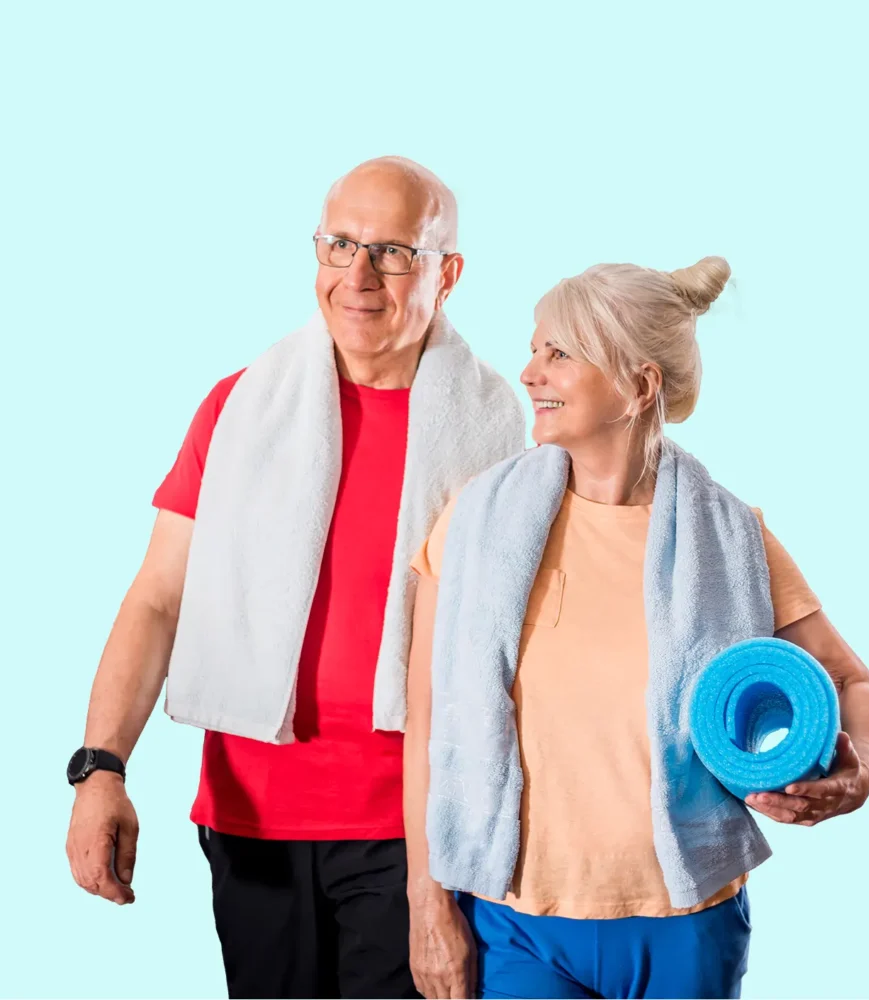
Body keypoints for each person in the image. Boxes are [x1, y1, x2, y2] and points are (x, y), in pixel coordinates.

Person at [65, 156, 526, 999]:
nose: (358, 276)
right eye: (339, 244)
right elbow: (159, 597)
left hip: (411, 831)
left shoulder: (500, 434)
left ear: (447, 273)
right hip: (252, 821)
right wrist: (102, 767)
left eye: (391, 252)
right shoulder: (241, 407)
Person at [404, 257, 869, 1000]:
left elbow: (850, 680)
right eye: (534, 348)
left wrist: (864, 769)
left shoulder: (732, 538)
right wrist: (426, 900)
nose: (529, 372)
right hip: (516, 918)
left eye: (558, 353)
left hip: (686, 919)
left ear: (639, 385)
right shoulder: (476, 521)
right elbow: (425, 721)